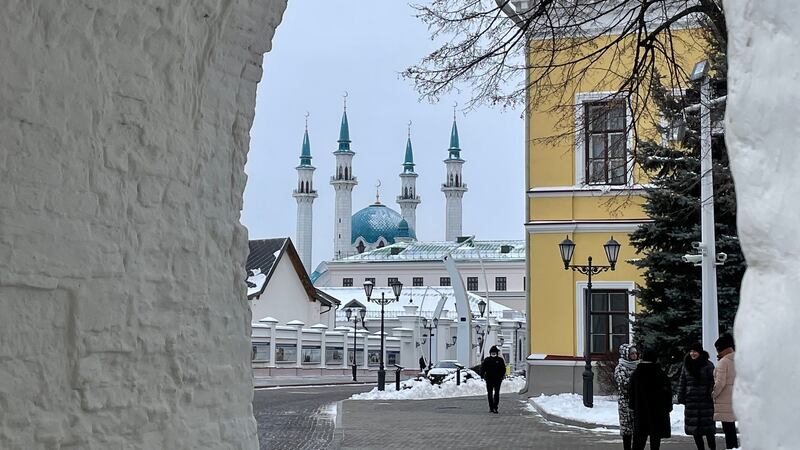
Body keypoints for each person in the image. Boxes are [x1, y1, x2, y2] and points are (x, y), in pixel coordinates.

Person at [629, 347, 672, 450]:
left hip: (641, 411)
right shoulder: (660, 373)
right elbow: (667, 393)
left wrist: (632, 406)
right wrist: (668, 407)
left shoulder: (637, 374)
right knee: (655, 440)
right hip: (657, 413)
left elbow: (631, 392)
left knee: (639, 440)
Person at [679, 343, 716, 450]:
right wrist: (681, 396)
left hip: (705, 401)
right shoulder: (687, 365)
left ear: (699, 352)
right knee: (695, 430)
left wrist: (710, 393)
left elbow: (713, 381)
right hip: (691, 401)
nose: (692, 353)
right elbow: (682, 381)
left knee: (709, 430)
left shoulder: (708, 365)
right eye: (691, 351)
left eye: (695, 351)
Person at [713, 334, 738, 449]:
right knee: (731, 429)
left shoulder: (723, 362)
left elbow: (720, 383)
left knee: (728, 430)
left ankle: (731, 448)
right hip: (736, 398)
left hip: (724, 400)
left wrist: (713, 394)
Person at [615, 344, 639, 450]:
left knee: (638, 431)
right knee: (627, 431)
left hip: (638, 403)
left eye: (635, 353)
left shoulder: (638, 366)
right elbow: (624, 384)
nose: (634, 356)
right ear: (626, 355)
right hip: (625, 404)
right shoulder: (620, 368)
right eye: (632, 354)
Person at [481, 345, 506, 414]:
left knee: (497, 393)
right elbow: (483, 368)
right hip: (489, 379)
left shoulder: (500, 360)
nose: (493, 354)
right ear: (490, 353)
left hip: (498, 379)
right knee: (489, 393)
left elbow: (503, 369)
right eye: (492, 352)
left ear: (497, 353)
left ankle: (495, 407)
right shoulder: (487, 360)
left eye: (495, 352)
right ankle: (491, 407)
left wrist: (501, 376)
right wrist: (482, 375)